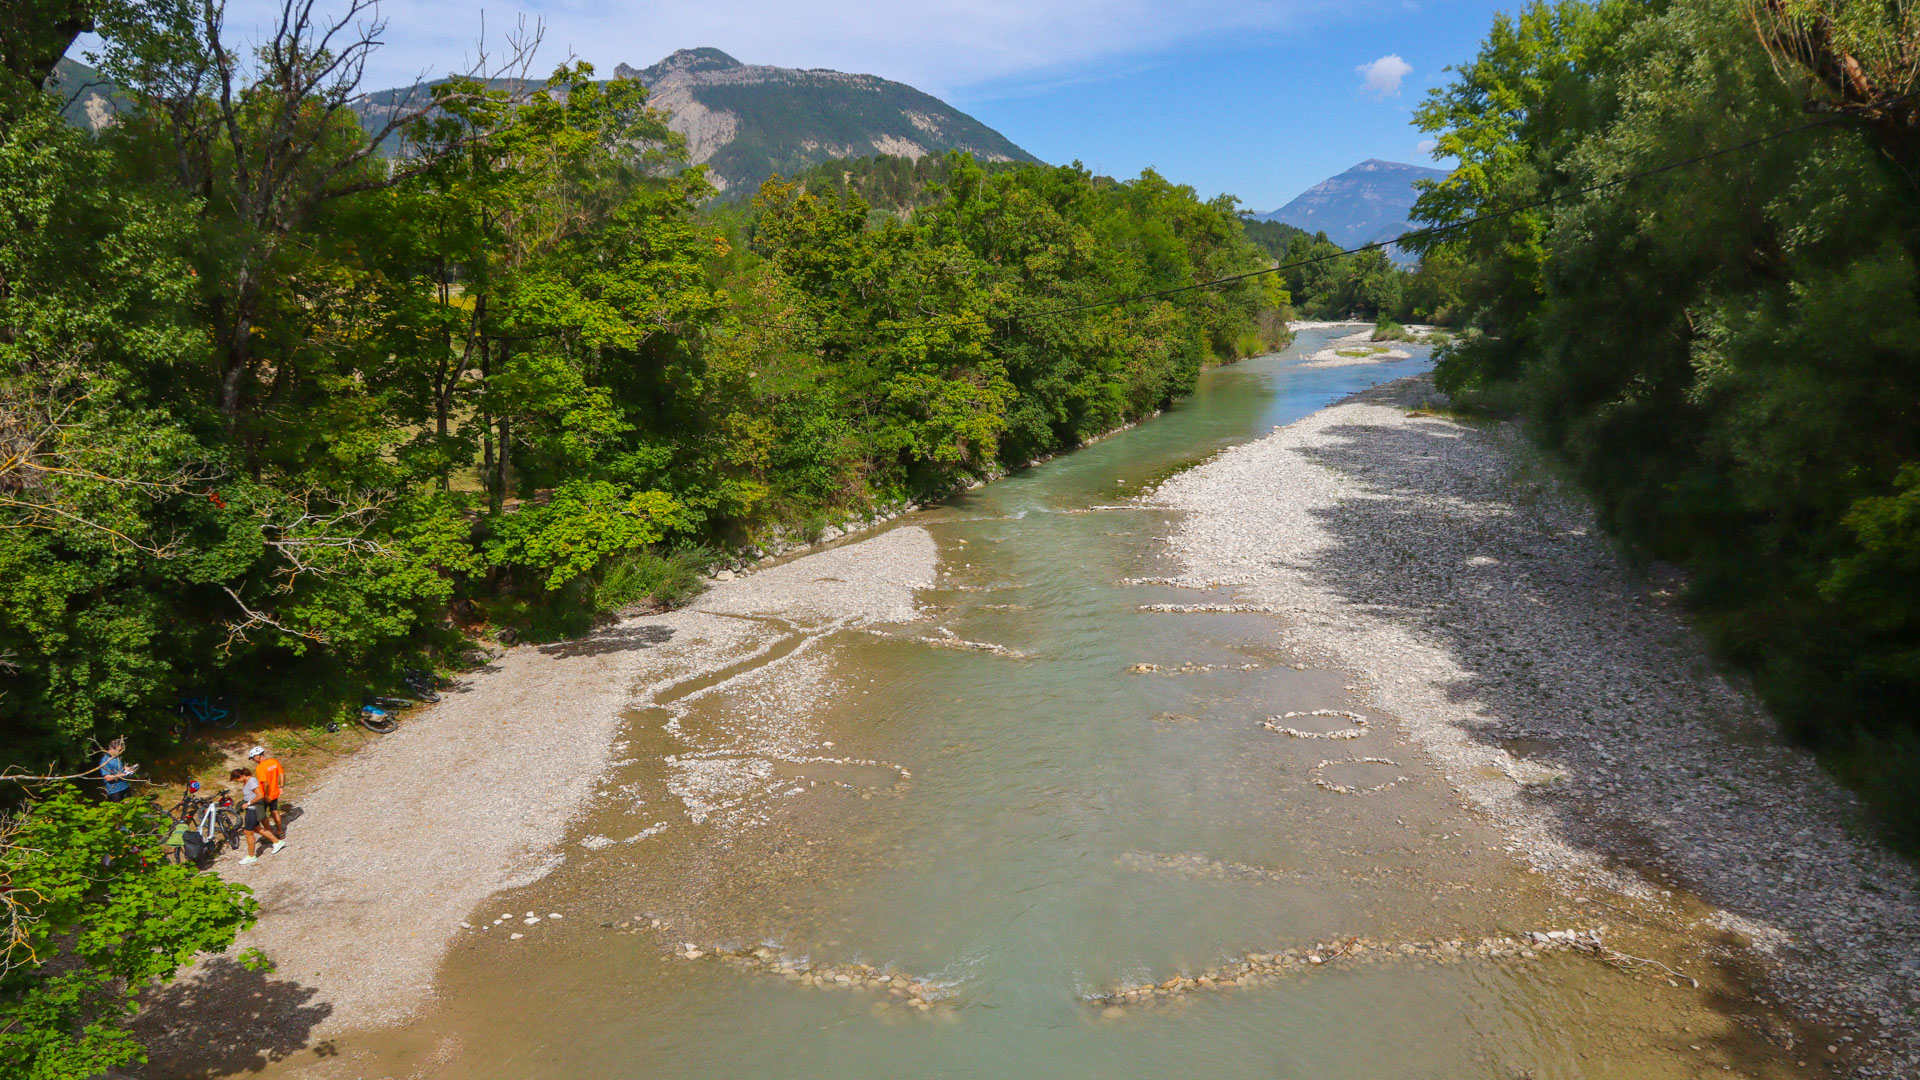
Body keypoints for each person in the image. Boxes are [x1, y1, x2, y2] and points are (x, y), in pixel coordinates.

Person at [228, 766, 284, 863]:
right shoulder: (247, 781)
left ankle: (251, 856)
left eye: (237, 780)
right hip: (250, 809)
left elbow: (260, 795)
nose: (237, 782)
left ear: (241, 776)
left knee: (248, 833)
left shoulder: (251, 781)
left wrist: (248, 803)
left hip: (253, 809)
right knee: (257, 829)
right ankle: (277, 842)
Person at [249, 746, 287, 839]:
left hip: (264, 795)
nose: (254, 760)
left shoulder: (260, 768)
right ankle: (280, 831)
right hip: (275, 792)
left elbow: (265, 783)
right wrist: (281, 786)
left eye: (253, 758)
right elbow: (282, 774)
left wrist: (266, 796)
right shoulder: (274, 761)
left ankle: (270, 833)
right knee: (274, 811)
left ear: (257, 756)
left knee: (262, 815)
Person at [99, 738, 137, 802]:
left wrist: (126, 768)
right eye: (118, 750)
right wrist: (121, 775)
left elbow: (117, 767)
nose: (120, 753)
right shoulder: (105, 761)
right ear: (111, 749)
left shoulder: (116, 757)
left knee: (129, 806)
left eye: (121, 750)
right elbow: (107, 778)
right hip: (115, 790)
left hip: (125, 786)